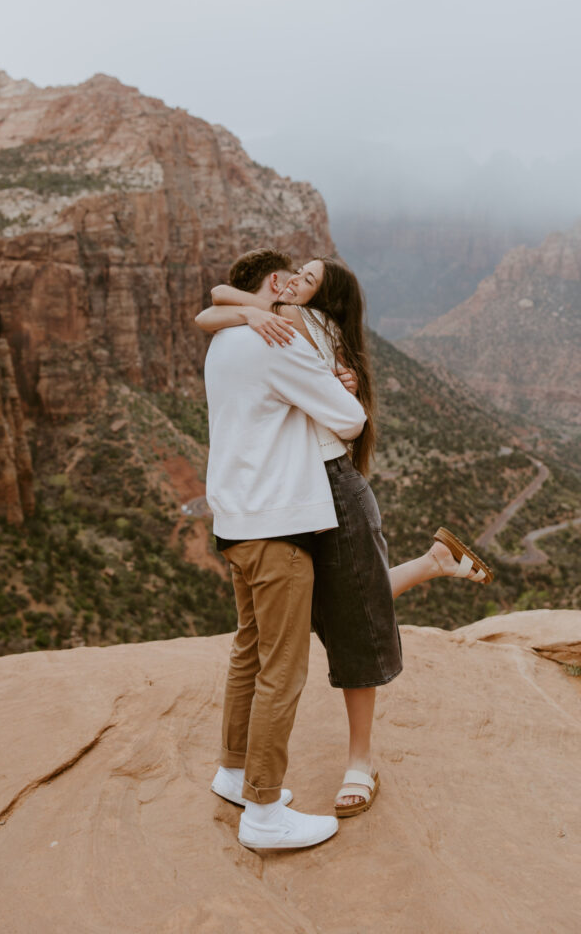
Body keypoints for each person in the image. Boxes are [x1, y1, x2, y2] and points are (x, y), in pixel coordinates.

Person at [197, 249, 494, 817]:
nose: (298, 281)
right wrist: (254, 311)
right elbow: (212, 308)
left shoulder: (307, 326)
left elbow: (216, 307)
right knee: (336, 608)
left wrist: (258, 314)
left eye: (311, 278)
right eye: (294, 274)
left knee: (354, 621)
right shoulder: (271, 322)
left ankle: (359, 761)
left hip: (330, 484)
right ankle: (435, 560)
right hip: (294, 494)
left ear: (323, 296)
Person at [203, 252, 367, 850]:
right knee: (283, 670)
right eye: (290, 276)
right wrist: (329, 386)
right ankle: (264, 812)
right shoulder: (278, 339)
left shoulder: (225, 341)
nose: (296, 283)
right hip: (278, 527)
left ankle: (233, 773)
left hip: (234, 523)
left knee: (249, 653)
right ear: (274, 286)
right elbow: (349, 420)